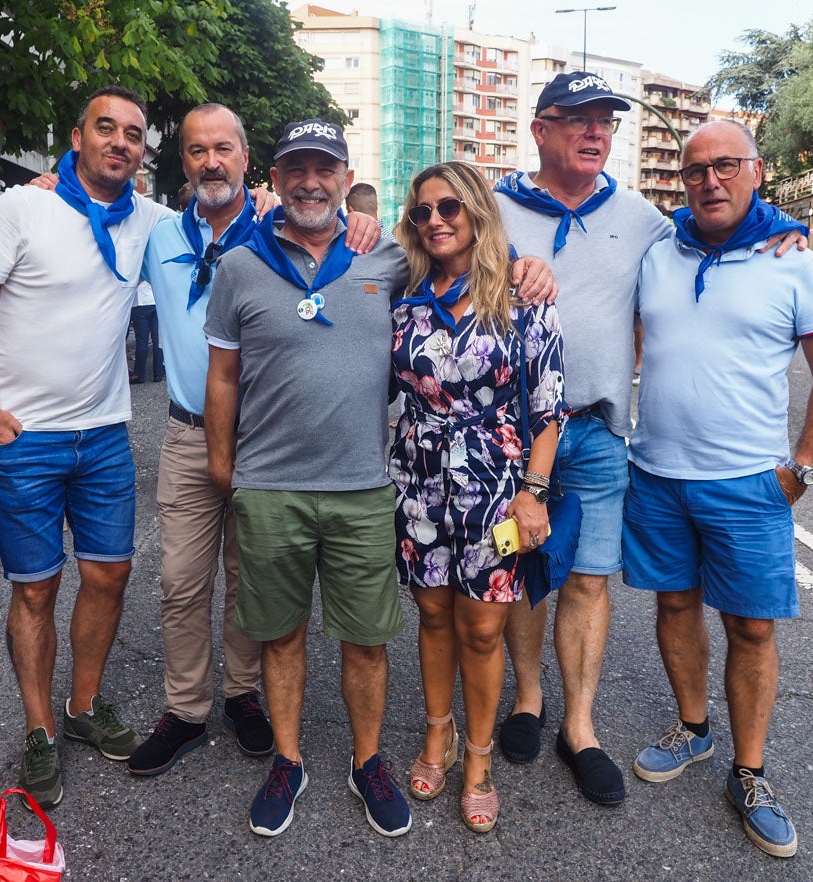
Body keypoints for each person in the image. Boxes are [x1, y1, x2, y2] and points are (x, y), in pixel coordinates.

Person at [490, 71, 806, 806]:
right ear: (540, 129)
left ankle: (580, 725)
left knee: (590, 579)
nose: (594, 132)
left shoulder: (638, 216)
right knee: (520, 564)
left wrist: (780, 218)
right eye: (576, 119)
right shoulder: (493, 206)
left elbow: (718, 217)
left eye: (605, 120)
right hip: (509, 430)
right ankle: (527, 699)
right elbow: (427, 238)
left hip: (598, 431)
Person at [0, 85, 175, 810]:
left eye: (133, 134)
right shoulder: (24, 206)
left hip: (103, 434)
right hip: (24, 439)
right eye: (106, 128)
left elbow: (231, 215)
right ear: (76, 137)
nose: (120, 142)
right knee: (35, 588)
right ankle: (40, 727)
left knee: (108, 579)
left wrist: (348, 217)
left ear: (141, 151)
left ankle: (84, 706)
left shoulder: (149, 222)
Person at [624, 120, 813, 859]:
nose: (708, 181)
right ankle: (691, 728)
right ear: (680, 181)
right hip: (656, 474)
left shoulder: (793, 261)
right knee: (674, 604)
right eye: (694, 171)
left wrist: (802, 467)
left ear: (756, 171)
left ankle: (748, 773)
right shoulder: (658, 250)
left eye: (725, 167)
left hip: (748, 482)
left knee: (751, 627)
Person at [204, 118, 416, 839]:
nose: (309, 182)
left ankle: (367, 761)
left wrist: (521, 262)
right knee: (281, 634)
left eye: (323, 168)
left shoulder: (384, 255)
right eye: (295, 168)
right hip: (270, 487)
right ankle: (288, 761)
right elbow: (223, 372)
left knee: (365, 640)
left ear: (343, 175)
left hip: (361, 484)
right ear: (276, 175)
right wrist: (222, 463)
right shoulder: (239, 264)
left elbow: (465, 252)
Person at [390, 161, 565, 834]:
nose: (433, 220)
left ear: (476, 215)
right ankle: (438, 735)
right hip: (419, 480)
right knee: (432, 618)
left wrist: (532, 495)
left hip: (496, 487)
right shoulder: (403, 298)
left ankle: (481, 754)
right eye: (421, 212)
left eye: (448, 209)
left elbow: (549, 409)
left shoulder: (523, 298)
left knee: (484, 627)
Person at [124, 104, 279, 778]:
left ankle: (242, 694)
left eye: (223, 148)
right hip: (188, 435)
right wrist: (44, 187)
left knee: (250, 580)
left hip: (265, 440)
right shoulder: (156, 234)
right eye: (196, 151)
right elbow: (82, 224)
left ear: (245, 157)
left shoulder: (280, 228)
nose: (210, 161)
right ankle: (186, 709)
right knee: (180, 580)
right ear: (182, 162)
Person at [128, 280, 162, 383]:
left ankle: (139, 374)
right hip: (155, 300)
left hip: (140, 302)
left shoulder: (135, 264)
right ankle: (158, 373)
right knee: (158, 340)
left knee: (142, 341)